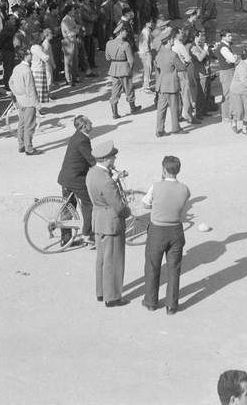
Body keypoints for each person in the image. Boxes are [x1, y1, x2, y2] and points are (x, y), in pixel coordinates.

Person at [141, 154, 191, 315]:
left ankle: (150, 302)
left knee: (152, 266)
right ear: (178, 170)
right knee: (174, 269)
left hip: (157, 230)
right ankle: (171, 305)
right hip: (176, 230)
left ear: (163, 170)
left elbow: (145, 204)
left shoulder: (156, 186)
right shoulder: (185, 189)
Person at [85, 139, 131, 307]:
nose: (115, 160)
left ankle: (101, 292)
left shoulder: (92, 173)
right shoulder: (106, 180)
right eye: (113, 157)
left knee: (102, 259)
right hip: (111, 223)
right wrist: (128, 211)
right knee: (113, 261)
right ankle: (112, 297)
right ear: (106, 158)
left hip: (98, 219)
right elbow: (118, 206)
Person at [57, 115, 96, 246]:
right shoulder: (82, 140)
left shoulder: (76, 136)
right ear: (84, 126)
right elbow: (90, 159)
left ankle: (66, 239)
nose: (92, 124)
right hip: (75, 179)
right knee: (89, 203)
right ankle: (87, 234)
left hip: (66, 178)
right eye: (90, 122)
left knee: (68, 208)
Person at [7, 49, 40, 155]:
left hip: (20, 101)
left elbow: (10, 82)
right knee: (29, 126)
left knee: (21, 124)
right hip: (28, 101)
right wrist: (36, 104)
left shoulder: (17, 68)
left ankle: (21, 145)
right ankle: (29, 149)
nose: (31, 55)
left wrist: (17, 93)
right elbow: (31, 89)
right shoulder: (27, 70)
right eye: (30, 54)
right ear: (26, 56)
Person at [105, 26, 138, 120]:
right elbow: (131, 60)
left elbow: (107, 58)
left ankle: (115, 113)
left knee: (115, 90)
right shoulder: (126, 44)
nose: (126, 33)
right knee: (129, 88)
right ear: (120, 32)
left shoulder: (109, 43)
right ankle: (133, 108)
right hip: (124, 68)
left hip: (114, 69)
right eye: (125, 31)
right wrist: (130, 69)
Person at [154, 30, 182, 137]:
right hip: (171, 84)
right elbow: (181, 67)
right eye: (172, 39)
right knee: (174, 107)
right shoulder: (173, 55)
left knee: (161, 109)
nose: (173, 41)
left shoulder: (158, 55)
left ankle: (159, 129)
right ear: (169, 41)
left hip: (161, 85)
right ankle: (176, 128)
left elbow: (157, 71)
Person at [227, 47, 247, 135]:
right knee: (238, 110)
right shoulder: (242, 65)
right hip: (237, 91)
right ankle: (234, 123)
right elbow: (244, 80)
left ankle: (244, 129)